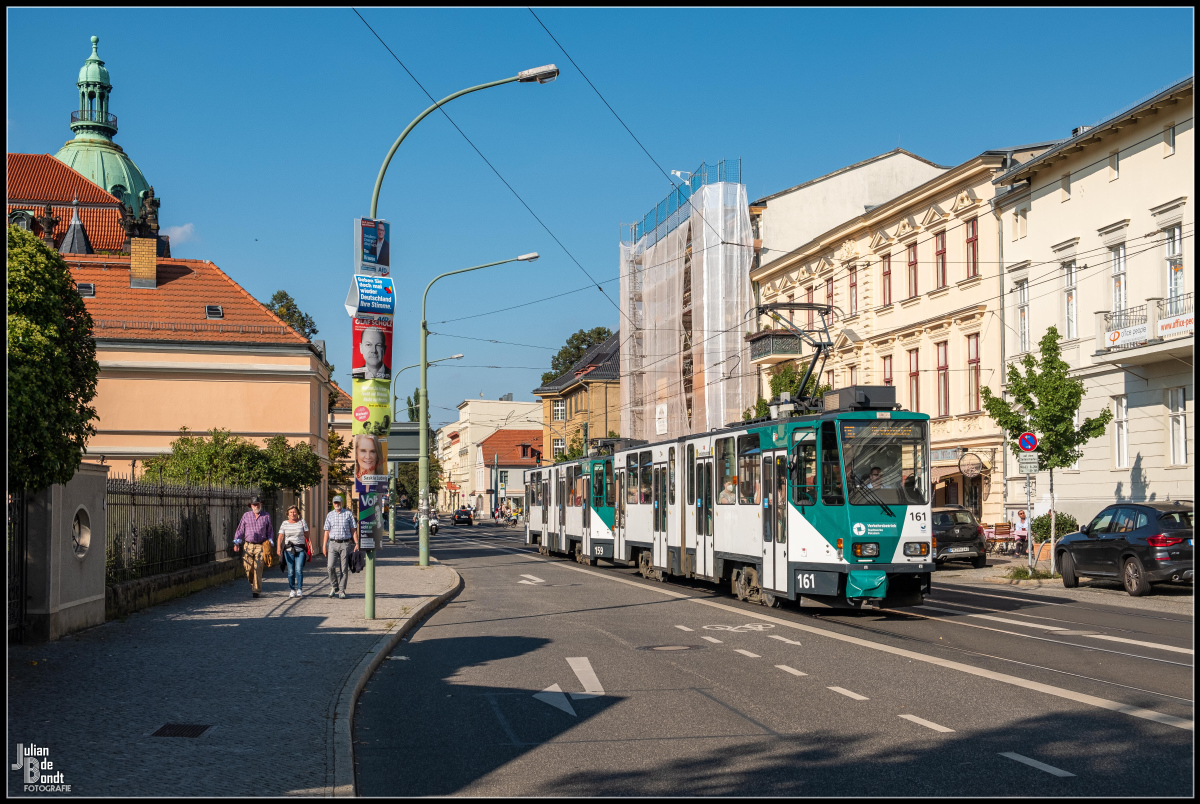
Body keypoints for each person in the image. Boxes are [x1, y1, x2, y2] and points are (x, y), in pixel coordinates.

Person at [233, 496, 274, 598]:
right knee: (248, 567)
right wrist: (237, 543)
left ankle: (256, 590)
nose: (256, 506)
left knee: (258, 567)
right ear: (251, 506)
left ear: (260, 504)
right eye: (254, 504)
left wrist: (270, 542)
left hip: (261, 545)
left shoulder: (266, 516)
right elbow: (240, 530)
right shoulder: (246, 516)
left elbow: (270, 531)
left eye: (258, 504)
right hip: (248, 545)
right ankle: (253, 582)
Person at [323, 495, 358, 599]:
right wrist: (324, 545)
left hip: (345, 543)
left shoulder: (348, 514)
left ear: (342, 503)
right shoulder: (330, 515)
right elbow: (326, 532)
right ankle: (334, 586)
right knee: (330, 567)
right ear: (333, 504)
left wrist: (356, 543)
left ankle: (342, 590)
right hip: (333, 543)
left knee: (344, 569)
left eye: (339, 502)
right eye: (335, 503)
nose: (337, 504)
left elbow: (353, 530)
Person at [278, 505, 310, 598]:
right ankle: (292, 589)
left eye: (295, 512)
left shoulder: (302, 522)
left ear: (298, 513)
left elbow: (307, 535)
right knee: (291, 571)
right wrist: (278, 547)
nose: (293, 514)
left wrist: (310, 546)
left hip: (300, 550)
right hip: (288, 550)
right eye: (291, 512)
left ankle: (299, 589)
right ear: (288, 514)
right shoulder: (284, 523)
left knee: (299, 570)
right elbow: (280, 536)